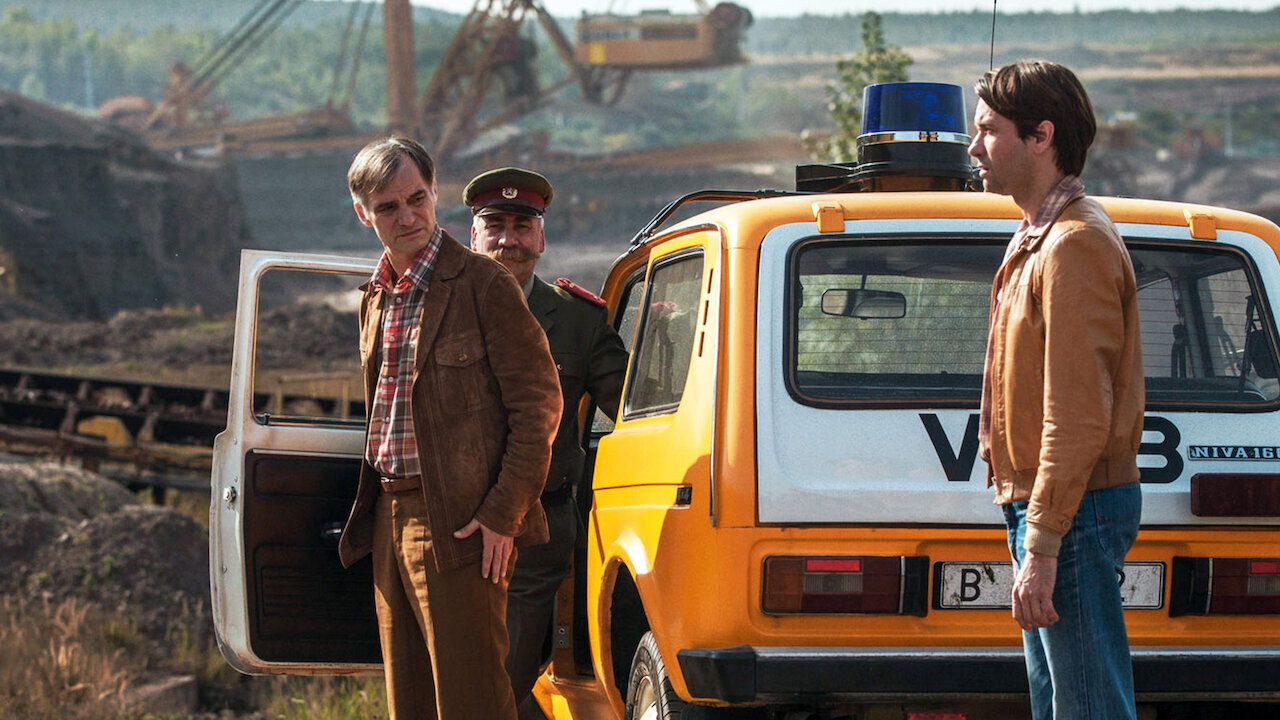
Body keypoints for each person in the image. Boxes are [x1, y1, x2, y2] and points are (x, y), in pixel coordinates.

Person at [336, 138, 562, 720]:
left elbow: (538, 407)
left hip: (461, 524)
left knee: (472, 703)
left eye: (417, 199)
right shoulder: (375, 297)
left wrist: (502, 515)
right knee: (408, 704)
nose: (408, 216)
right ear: (363, 214)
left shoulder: (484, 283)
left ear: (435, 193)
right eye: (388, 207)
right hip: (386, 516)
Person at [970, 61, 1145, 720]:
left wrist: (1043, 541)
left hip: (1074, 508)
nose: (974, 148)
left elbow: (1076, 414)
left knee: (1088, 706)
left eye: (989, 130)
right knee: (1060, 704)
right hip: (1054, 506)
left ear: (1040, 136)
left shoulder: (1073, 243)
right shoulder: (1039, 237)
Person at [463, 167, 629, 719]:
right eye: (495, 226)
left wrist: (669, 342)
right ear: (473, 235)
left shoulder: (579, 321)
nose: (508, 240)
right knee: (455, 674)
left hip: (536, 533)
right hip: (455, 526)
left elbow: (633, 406)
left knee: (504, 676)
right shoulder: (442, 311)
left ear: (541, 238)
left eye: (522, 226)